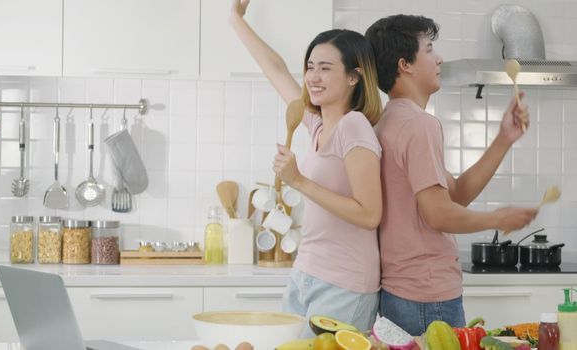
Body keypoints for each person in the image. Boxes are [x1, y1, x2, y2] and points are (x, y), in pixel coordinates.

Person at [365, 14, 539, 335]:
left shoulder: (390, 121)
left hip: (403, 291)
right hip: (427, 295)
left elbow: (454, 194)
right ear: (406, 65)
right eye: (430, 49)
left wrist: (504, 138)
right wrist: (496, 219)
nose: (439, 57)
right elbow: (439, 215)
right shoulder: (418, 125)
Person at [230, 0, 383, 337]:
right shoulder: (317, 125)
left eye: (326, 68)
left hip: (344, 283)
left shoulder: (353, 126)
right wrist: (236, 19)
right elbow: (277, 70)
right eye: (311, 66)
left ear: (355, 76)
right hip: (306, 273)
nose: (313, 76)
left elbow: (370, 213)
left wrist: (297, 180)